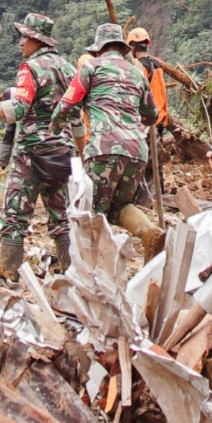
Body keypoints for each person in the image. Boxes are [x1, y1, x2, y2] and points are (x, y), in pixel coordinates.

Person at [0, 13, 80, 277]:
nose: (20, 43)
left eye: (24, 37)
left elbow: (20, 105)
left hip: (32, 156)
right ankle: (73, 275)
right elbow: (78, 113)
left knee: (14, 217)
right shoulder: (71, 70)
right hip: (64, 156)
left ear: (36, 39)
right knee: (62, 219)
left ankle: (8, 273)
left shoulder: (31, 69)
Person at [50, 22, 164, 263]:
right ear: (122, 48)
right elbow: (152, 115)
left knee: (92, 211)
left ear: (99, 49)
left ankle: (96, 269)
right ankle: (148, 232)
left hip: (103, 149)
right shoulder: (137, 73)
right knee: (121, 205)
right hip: (136, 151)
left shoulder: (90, 67)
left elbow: (67, 105)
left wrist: (55, 127)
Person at [127, 28, 169, 129]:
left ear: (132, 46)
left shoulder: (142, 67)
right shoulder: (156, 64)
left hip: (148, 120)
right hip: (160, 115)